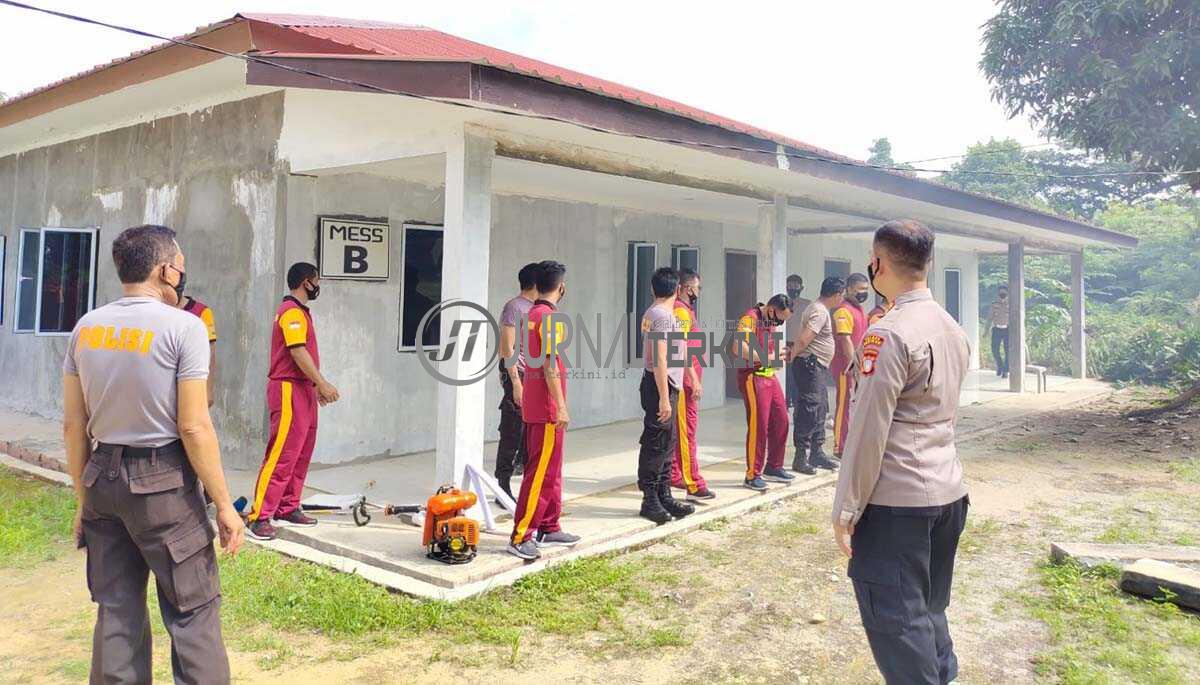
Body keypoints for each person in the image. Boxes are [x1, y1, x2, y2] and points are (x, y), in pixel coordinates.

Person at [62, 224, 244, 684]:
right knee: (193, 612)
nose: (182, 274)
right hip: (164, 486)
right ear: (166, 270)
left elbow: (72, 425)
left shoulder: (87, 327)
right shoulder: (186, 327)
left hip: (102, 479)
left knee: (117, 614)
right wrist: (225, 505)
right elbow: (193, 424)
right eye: (180, 266)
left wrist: (84, 502)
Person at [832, 219, 971, 685]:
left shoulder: (887, 333)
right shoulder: (951, 327)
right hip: (948, 493)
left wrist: (847, 508)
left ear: (879, 264)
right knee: (928, 607)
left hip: (898, 503)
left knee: (897, 621)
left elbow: (868, 431)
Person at [247, 262, 340, 541]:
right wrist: (322, 383)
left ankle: (287, 506)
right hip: (288, 389)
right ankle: (259, 516)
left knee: (301, 453)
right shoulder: (290, 312)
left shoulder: (301, 312)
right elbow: (297, 351)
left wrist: (314, 387)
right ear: (305, 282)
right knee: (282, 454)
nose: (318, 286)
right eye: (316, 280)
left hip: (303, 390)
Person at [508, 260, 581, 559]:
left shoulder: (533, 314)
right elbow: (549, 363)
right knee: (539, 473)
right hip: (548, 408)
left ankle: (549, 526)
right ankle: (521, 534)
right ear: (561, 287)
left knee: (551, 470)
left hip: (539, 404)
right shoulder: (550, 318)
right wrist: (561, 406)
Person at [636, 267, 697, 524]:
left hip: (667, 384)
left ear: (653, 289)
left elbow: (675, 352)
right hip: (660, 385)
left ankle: (664, 494)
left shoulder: (657, 313)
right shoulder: (661, 315)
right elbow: (660, 359)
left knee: (667, 442)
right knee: (656, 442)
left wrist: (689, 376)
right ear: (676, 290)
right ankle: (650, 499)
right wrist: (663, 397)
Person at [734, 293, 794, 490]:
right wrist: (765, 356)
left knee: (782, 420)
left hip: (769, 376)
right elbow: (738, 347)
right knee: (759, 425)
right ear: (771, 309)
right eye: (780, 318)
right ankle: (753, 474)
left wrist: (779, 355)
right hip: (753, 376)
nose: (780, 323)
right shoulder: (750, 318)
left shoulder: (771, 321)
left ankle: (774, 466)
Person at [789, 277, 844, 475]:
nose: (841, 300)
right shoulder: (820, 311)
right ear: (837, 295)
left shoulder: (819, 309)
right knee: (809, 408)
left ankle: (817, 451)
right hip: (809, 365)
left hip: (817, 366)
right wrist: (792, 356)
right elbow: (804, 339)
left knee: (820, 407)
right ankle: (801, 455)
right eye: (841, 296)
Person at [495, 262, 542, 500]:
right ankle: (502, 486)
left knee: (528, 431)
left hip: (532, 376)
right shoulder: (514, 307)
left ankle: (522, 478)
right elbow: (507, 346)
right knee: (512, 429)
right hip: (519, 374)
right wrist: (515, 382)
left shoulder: (536, 308)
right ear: (535, 283)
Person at [670, 268, 714, 500]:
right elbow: (681, 347)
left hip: (689, 378)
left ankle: (676, 473)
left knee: (682, 433)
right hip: (685, 382)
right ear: (687, 288)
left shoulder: (685, 310)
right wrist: (694, 380)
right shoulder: (680, 311)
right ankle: (693, 483)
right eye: (698, 287)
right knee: (687, 433)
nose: (698, 291)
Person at [831, 273, 870, 458]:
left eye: (866, 290)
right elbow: (845, 339)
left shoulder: (860, 310)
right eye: (860, 290)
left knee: (854, 407)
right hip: (844, 367)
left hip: (858, 367)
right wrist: (852, 364)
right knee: (844, 405)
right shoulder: (843, 311)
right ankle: (840, 446)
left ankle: (850, 443)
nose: (863, 293)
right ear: (849, 289)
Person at [179, 293, 218, 406]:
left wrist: (208, 390)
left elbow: (210, 352)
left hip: (191, 386)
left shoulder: (201, 312)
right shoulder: (156, 310)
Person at [784, 274, 810, 408]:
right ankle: (786, 402)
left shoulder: (807, 305)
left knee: (798, 375)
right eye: (790, 285)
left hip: (800, 344)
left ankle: (797, 402)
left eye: (796, 286)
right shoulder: (781, 302)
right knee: (786, 375)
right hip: (784, 343)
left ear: (802, 288)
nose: (793, 288)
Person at [990, 286, 1010, 378]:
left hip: (1007, 330)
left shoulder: (1011, 305)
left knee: (1008, 351)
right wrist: (986, 331)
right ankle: (1000, 366)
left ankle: (1005, 371)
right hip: (997, 329)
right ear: (998, 295)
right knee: (995, 350)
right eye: (1000, 294)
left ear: (1007, 294)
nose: (1002, 296)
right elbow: (990, 318)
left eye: (1004, 294)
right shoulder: (994, 304)